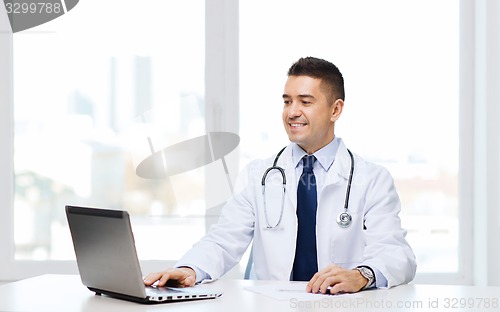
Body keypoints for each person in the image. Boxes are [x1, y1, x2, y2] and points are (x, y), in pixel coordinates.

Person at [144, 57, 417, 294]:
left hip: (337, 305)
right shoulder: (259, 175)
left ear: (336, 110)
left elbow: (397, 253)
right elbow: (224, 239)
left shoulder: (372, 179)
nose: (292, 112)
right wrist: (190, 268)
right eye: (287, 101)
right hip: (270, 305)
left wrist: (361, 275)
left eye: (305, 102)